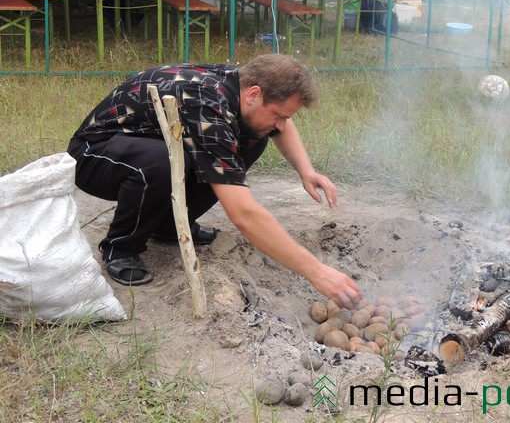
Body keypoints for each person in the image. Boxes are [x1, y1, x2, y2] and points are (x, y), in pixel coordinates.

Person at [67, 54, 362, 309]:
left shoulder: (242, 84)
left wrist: (306, 170)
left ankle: (167, 227)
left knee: (254, 136)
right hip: (96, 154)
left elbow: (280, 121)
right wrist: (317, 272)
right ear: (254, 94)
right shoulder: (207, 106)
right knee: (158, 161)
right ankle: (121, 247)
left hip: (147, 144)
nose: (281, 124)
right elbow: (244, 215)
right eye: (278, 115)